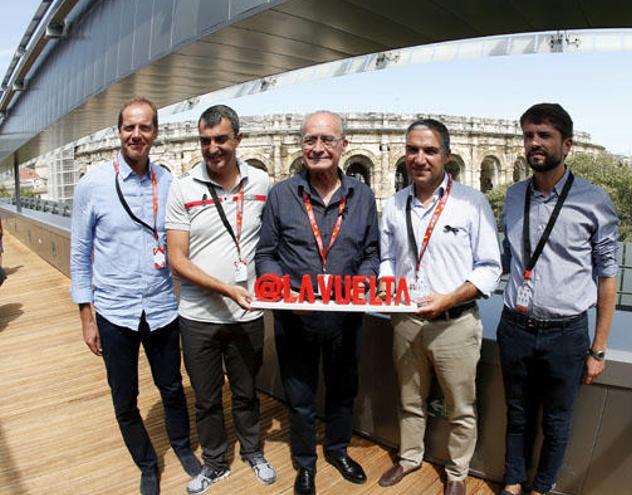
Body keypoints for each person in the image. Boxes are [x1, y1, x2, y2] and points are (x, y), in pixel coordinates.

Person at [69, 97, 200, 495]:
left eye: (144, 127)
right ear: (119, 131)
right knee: (125, 397)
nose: (136, 135)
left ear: (155, 133)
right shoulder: (93, 183)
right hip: (114, 312)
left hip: (161, 308)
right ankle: (146, 461)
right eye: (129, 127)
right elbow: (79, 252)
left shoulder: (168, 181)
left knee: (172, 387)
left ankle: (180, 445)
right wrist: (86, 318)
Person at [255, 110, 379, 495]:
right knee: (300, 397)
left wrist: (361, 285)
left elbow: (372, 254)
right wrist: (283, 292)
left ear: (343, 146)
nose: (318, 147)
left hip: (346, 319)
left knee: (343, 391)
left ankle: (338, 451)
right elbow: (266, 255)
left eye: (327, 140)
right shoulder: (281, 195)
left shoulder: (363, 196)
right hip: (295, 318)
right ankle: (305, 464)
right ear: (301, 146)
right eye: (310, 140)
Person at [497, 103, 619, 495]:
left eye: (544, 135)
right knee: (517, 415)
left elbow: (607, 277)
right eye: (529, 135)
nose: (534, 143)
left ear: (566, 145)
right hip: (515, 326)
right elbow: (505, 259)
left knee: (557, 421)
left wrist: (598, 348)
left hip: (565, 334)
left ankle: (541, 487)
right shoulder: (514, 197)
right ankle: (514, 481)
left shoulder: (594, 200)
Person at [377, 118, 501, 495]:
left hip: (454, 324)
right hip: (406, 320)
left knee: (460, 406)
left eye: (429, 150)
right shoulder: (396, 204)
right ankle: (409, 458)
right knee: (409, 398)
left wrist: (447, 298)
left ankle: (457, 472)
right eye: (413, 149)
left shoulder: (471, 203)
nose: (420, 158)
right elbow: (386, 257)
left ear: (446, 155)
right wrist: (386, 280)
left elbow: (491, 268)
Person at [165, 104, 275, 494]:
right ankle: (214, 464)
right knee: (207, 399)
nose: (212, 148)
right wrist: (228, 289)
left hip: (247, 316)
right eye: (205, 140)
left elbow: (275, 245)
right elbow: (176, 259)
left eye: (221, 139)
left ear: (238, 140)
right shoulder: (182, 188)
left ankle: (252, 451)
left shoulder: (262, 184)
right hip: (198, 316)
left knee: (247, 392)